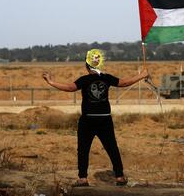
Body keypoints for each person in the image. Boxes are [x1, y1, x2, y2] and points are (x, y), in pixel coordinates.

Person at [42, 49, 149, 187]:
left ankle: (82, 178)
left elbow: (69, 88)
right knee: (112, 148)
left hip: (88, 120)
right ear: (100, 64)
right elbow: (124, 83)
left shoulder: (84, 80)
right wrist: (142, 75)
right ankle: (120, 177)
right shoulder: (106, 78)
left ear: (87, 65)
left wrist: (51, 82)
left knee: (83, 149)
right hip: (105, 120)